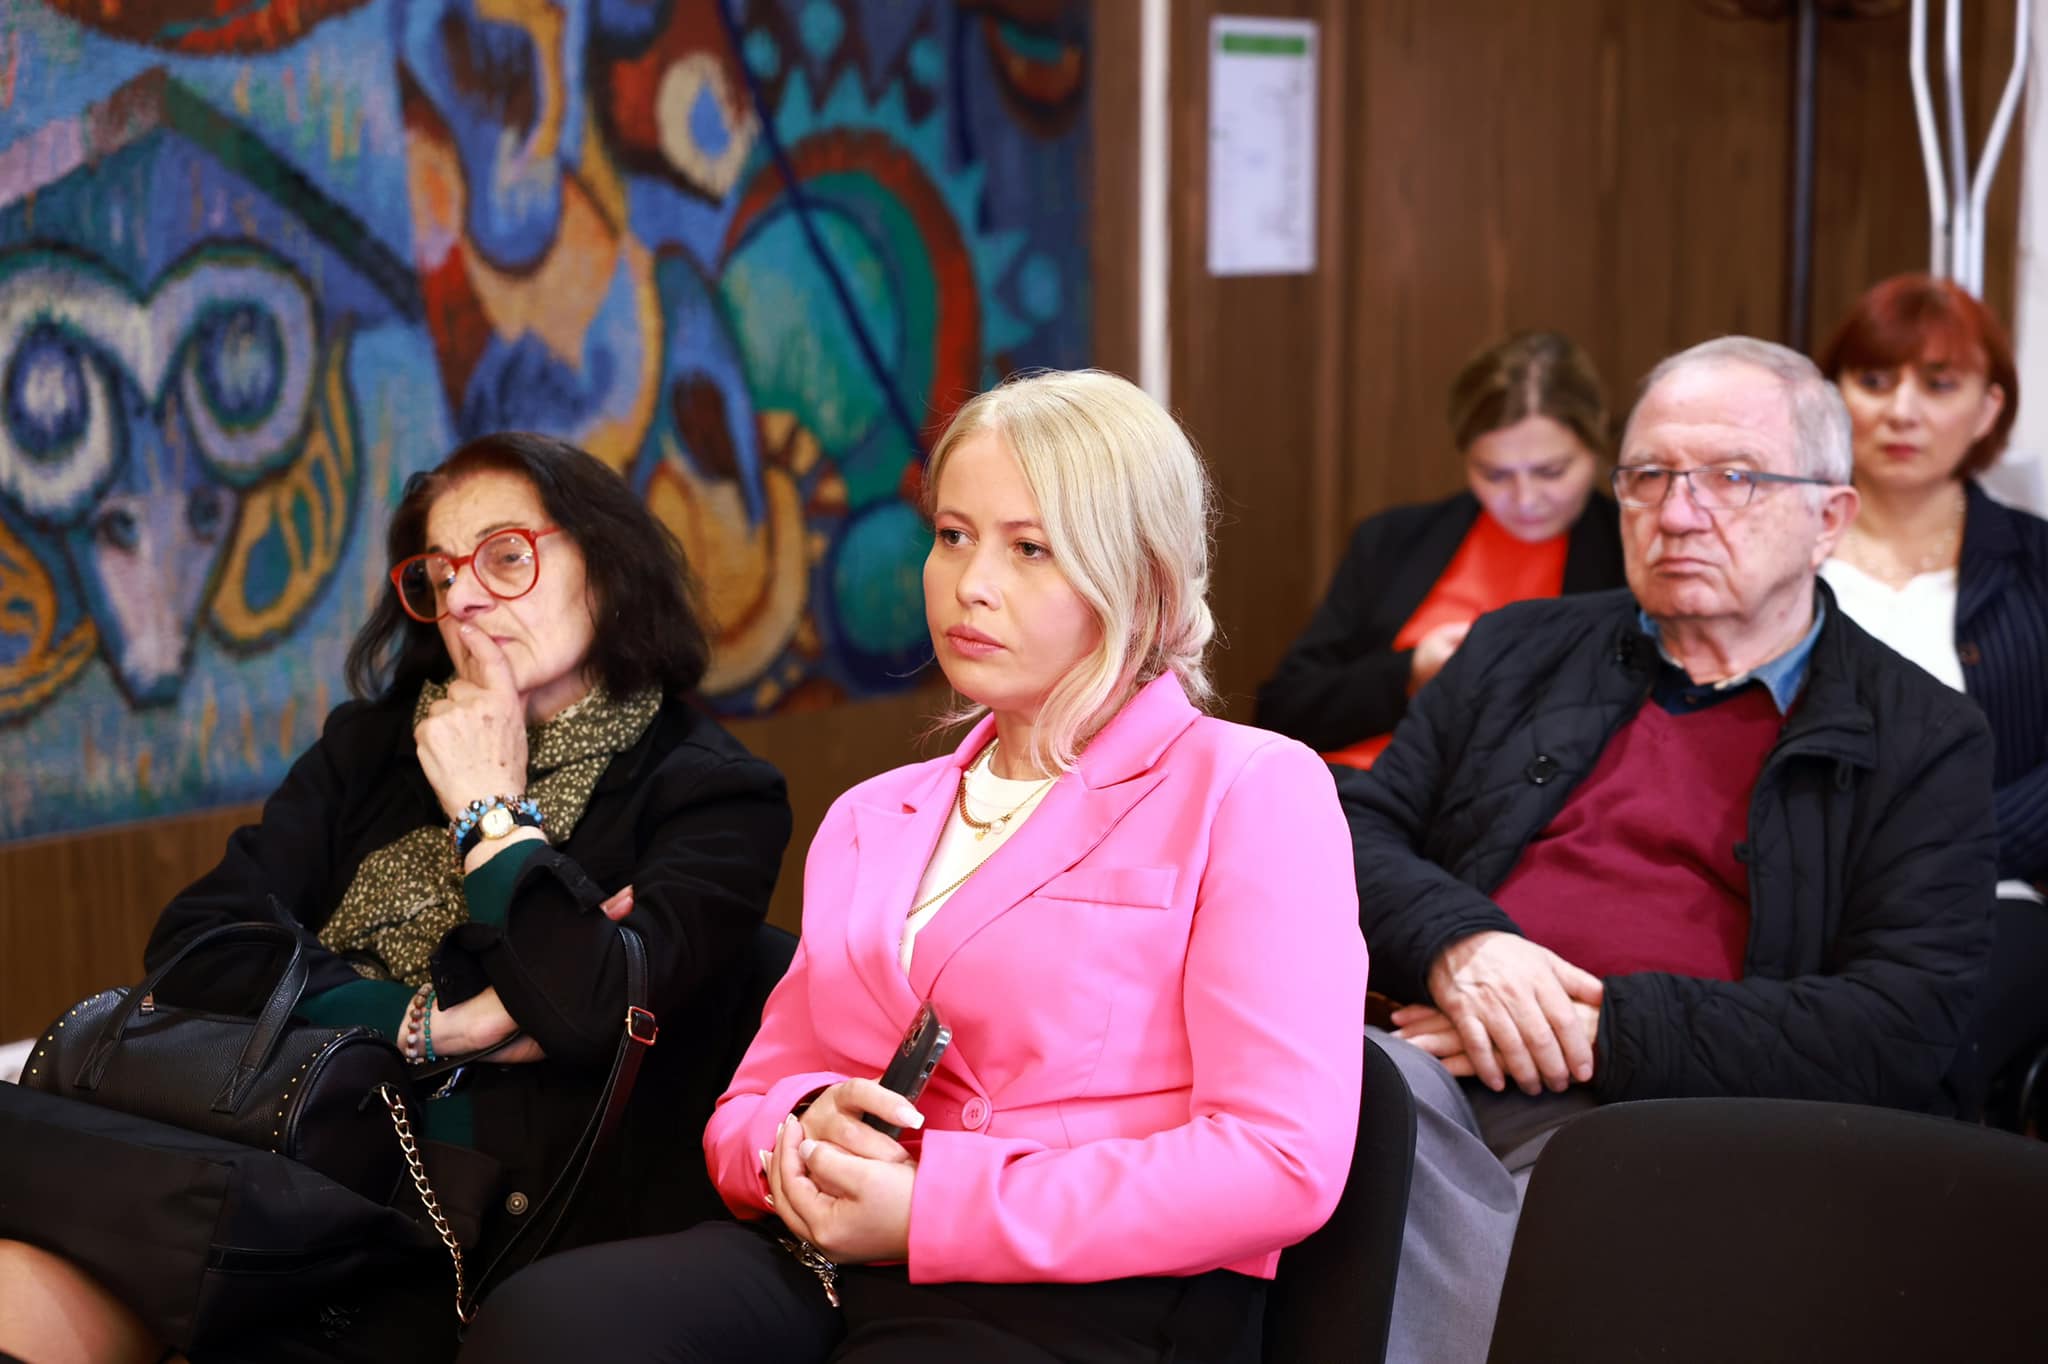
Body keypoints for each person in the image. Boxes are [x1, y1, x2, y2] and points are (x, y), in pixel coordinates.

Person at [460, 370, 1368, 1363]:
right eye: (953, 535)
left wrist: (933, 1206)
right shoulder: (871, 814)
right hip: (839, 1257)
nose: (970, 582)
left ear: (1141, 581)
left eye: (1030, 548)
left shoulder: (1248, 787)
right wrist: (801, 1134)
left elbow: (1280, 1160)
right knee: (545, 1323)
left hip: (1097, 1291)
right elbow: (745, 1113)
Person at [0, 432, 792, 1363]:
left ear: (609, 569)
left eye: (505, 557)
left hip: (452, 1233)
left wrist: (489, 811)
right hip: (273, 1151)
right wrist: (423, 1026)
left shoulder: (711, 793)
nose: (464, 598)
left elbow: (587, 1011)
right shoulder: (374, 748)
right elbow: (197, 945)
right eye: (440, 575)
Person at [1337, 338, 1997, 1364]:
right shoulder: (1517, 648)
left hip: (1674, 1115)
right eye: (1647, 476)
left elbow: (1903, 1028)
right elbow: (1350, 828)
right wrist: (1462, 946)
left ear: (1828, 519)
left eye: (1732, 478)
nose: (1677, 513)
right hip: (1430, 1058)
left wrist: (1601, 1031)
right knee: (1322, 1111)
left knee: (1490, 1211)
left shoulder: (1922, 736)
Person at [1817, 274, 2048, 1121]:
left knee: (1920, 1048)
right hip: (1785, 889)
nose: (1901, 412)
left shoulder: (2035, 564)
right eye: (1874, 380)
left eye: (1938, 385)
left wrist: (1954, 850)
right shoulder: (1772, 551)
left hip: (1987, 896)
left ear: (1988, 409)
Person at [1257, 330, 1625, 767]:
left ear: (1596, 446)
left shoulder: (1629, 551)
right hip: (1350, 780)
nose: (1525, 499)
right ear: (1465, 457)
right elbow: (1283, 709)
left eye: (1551, 472)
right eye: (1494, 474)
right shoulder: (1394, 540)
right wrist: (1411, 672)